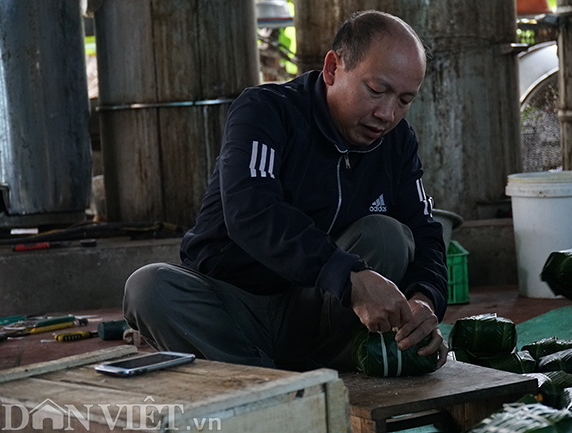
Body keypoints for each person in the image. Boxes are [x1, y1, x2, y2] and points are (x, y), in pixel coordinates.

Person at [123, 10, 449, 372]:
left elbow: (425, 232)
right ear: (332, 69)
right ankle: (264, 384)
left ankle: (323, 365)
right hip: (235, 309)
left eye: (405, 100)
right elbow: (251, 212)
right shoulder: (266, 111)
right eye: (376, 90)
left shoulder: (397, 142)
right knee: (148, 288)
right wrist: (350, 278)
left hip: (320, 316)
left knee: (389, 236)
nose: (387, 114)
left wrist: (426, 299)